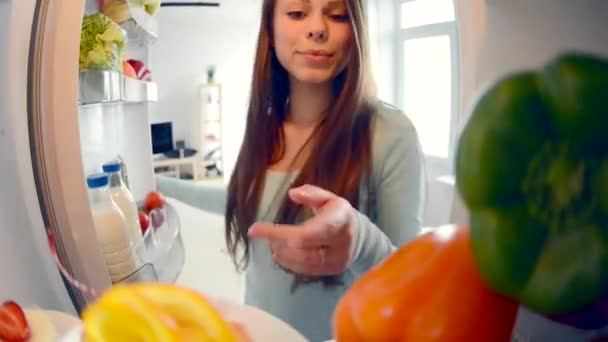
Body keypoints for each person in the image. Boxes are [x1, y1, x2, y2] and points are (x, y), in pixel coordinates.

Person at [158, 0, 425, 340]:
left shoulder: (390, 133)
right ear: (270, 27)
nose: (317, 28)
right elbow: (247, 202)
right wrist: (159, 184)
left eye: (337, 15)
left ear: (356, 28)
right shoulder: (265, 127)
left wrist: (359, 240)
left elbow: (413, 287)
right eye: (298, 13)